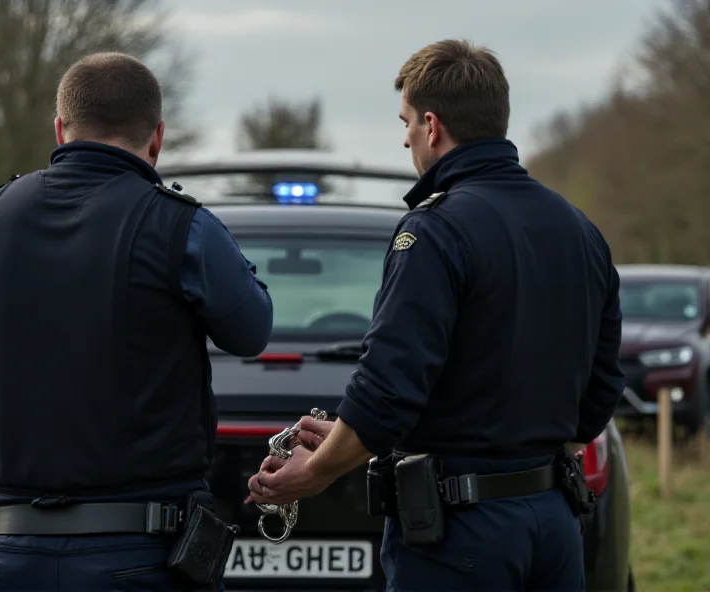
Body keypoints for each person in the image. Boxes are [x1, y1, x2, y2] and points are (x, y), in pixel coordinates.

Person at [246, 39, 624, 591]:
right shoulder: (580, 230)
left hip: (460, 536)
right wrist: (520, 455)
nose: (404, 138)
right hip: (553, 521)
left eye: (405, 123)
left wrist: (318, 469)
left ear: (432, 124)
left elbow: (388, 389)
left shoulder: (435, 231)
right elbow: (603, 384)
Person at [0, 52, 273, 591]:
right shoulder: (182, 229)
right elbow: (251, 330)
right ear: (158, 137)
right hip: (140, 558)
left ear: (60, 128)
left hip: (4, 558)